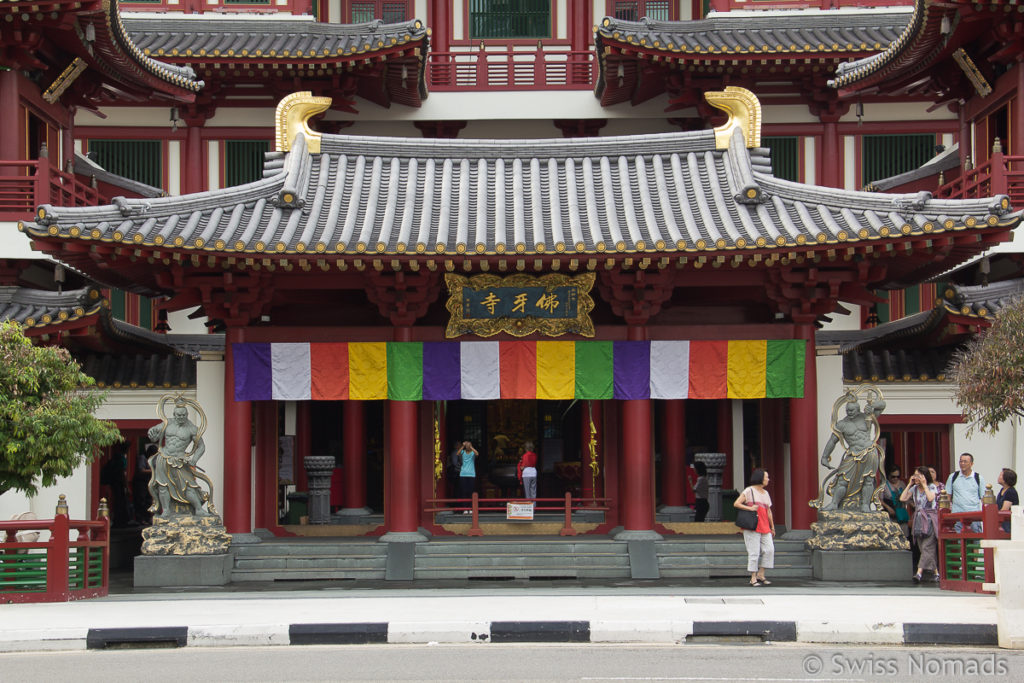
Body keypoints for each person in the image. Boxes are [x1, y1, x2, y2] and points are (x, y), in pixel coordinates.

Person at [817, 391, 886, 511]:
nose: (850, 413)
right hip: (853, 452)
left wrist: (873, 406)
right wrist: (824, 456)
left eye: (852, 410)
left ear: (858, 409)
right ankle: (834, 503)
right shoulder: (842, 424)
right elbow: (832, 441)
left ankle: (865, 505)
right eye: (848, 410)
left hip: (869, 451)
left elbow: (883, 404)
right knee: (842, 479)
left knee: (868, 480)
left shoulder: (867, 417)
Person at [147, 401, 212, 518]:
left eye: (183, 415)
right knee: (163, 486)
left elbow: (201, 446)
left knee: (189, 485)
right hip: (164, 457)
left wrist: (194, 459)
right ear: (174, 414)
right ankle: (166, 510)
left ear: (187, 415)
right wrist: (151, 432)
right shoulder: (167, 423)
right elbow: (155, 432)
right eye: (178, 415)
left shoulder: (192, 428)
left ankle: (198, 509)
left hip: (180, 460)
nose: (181, 417)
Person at [734, 468, 775, 586]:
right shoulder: (749, 491)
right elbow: (736, 503)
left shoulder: (766, 493)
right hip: (752, 525)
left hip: (765, 525)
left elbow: (769, 511)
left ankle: (761, 573)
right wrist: (750, 508)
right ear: (760, 478)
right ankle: (753, 577)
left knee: (769, 550)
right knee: (754, 552)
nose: (768, 479)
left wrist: (772, 526)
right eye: (766, 477)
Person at [900, 466, 938, 582]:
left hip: (929, 518)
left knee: (928, 546)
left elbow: (931, 498)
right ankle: (936, 572)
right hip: (918, 519)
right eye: (915, 475)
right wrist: (909, 485)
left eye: (918, 475)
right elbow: (902, 498)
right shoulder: (915, 488)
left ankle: (919, 573)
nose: (915, 477)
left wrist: (925, 485)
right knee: (923, 547)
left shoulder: (931, 487)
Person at [944, 453, 985, 533]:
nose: (962, 464)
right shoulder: (953, 477)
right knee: (960, 541)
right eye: (961, 461)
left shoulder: (978, 478)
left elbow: (984, 498)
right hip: (957, 515)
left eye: (965, 461)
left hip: (974, 515)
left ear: (971, 464)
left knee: (976, 540)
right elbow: (947, 497)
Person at [880, 467, 909, 537]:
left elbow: (908, 497)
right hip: (891, 512)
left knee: (904, 534)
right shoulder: (884, 485)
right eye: (893, 477)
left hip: (902, 512)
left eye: (897, 476)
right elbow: (879, 499)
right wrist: (888, 507)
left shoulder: (902, 484)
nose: (895, 478)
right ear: (889, 475)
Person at [132, 443, 156, 525]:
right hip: (141, 482)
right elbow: (141, 470)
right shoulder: (142, 458)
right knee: (141, 500)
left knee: (149, 500)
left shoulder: (151, 459)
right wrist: (153, 470)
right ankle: (140, 518)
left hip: (148, 482)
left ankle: (148, 517)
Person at [456, 440, 478, 513]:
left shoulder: (472, 453)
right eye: (467, 445)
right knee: (464, 492)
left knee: (471, 492)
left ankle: (471, 508)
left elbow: (477, 454)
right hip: (463, 474)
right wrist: (463, 446)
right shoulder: (463, 452)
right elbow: (457, 453)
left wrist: (471, 447)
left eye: (469, 445)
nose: (468, 446)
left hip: (471, 474)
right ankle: (465, 508)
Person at [996, 468, 1018, 534]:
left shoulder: (1010, 492)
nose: (998, 477)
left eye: (1000, 475)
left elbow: (1004, 510)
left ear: (1006, 479)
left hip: (1007, 524)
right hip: (1001, 522)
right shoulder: (1002, 490)